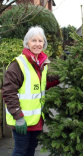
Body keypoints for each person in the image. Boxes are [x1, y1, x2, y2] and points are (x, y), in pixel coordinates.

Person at [2, 26, 60, 156]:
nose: (37, 44)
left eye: (40, 41)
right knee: (20, 151)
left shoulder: (41, 63)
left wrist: (62, 76)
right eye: (34, 41)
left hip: (36, 119)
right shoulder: (18, 64)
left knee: (31, 150)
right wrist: (18, 117)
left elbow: (43, 83)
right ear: (27, 43)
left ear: (44, 44)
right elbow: (8, 91)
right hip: (22, 120)